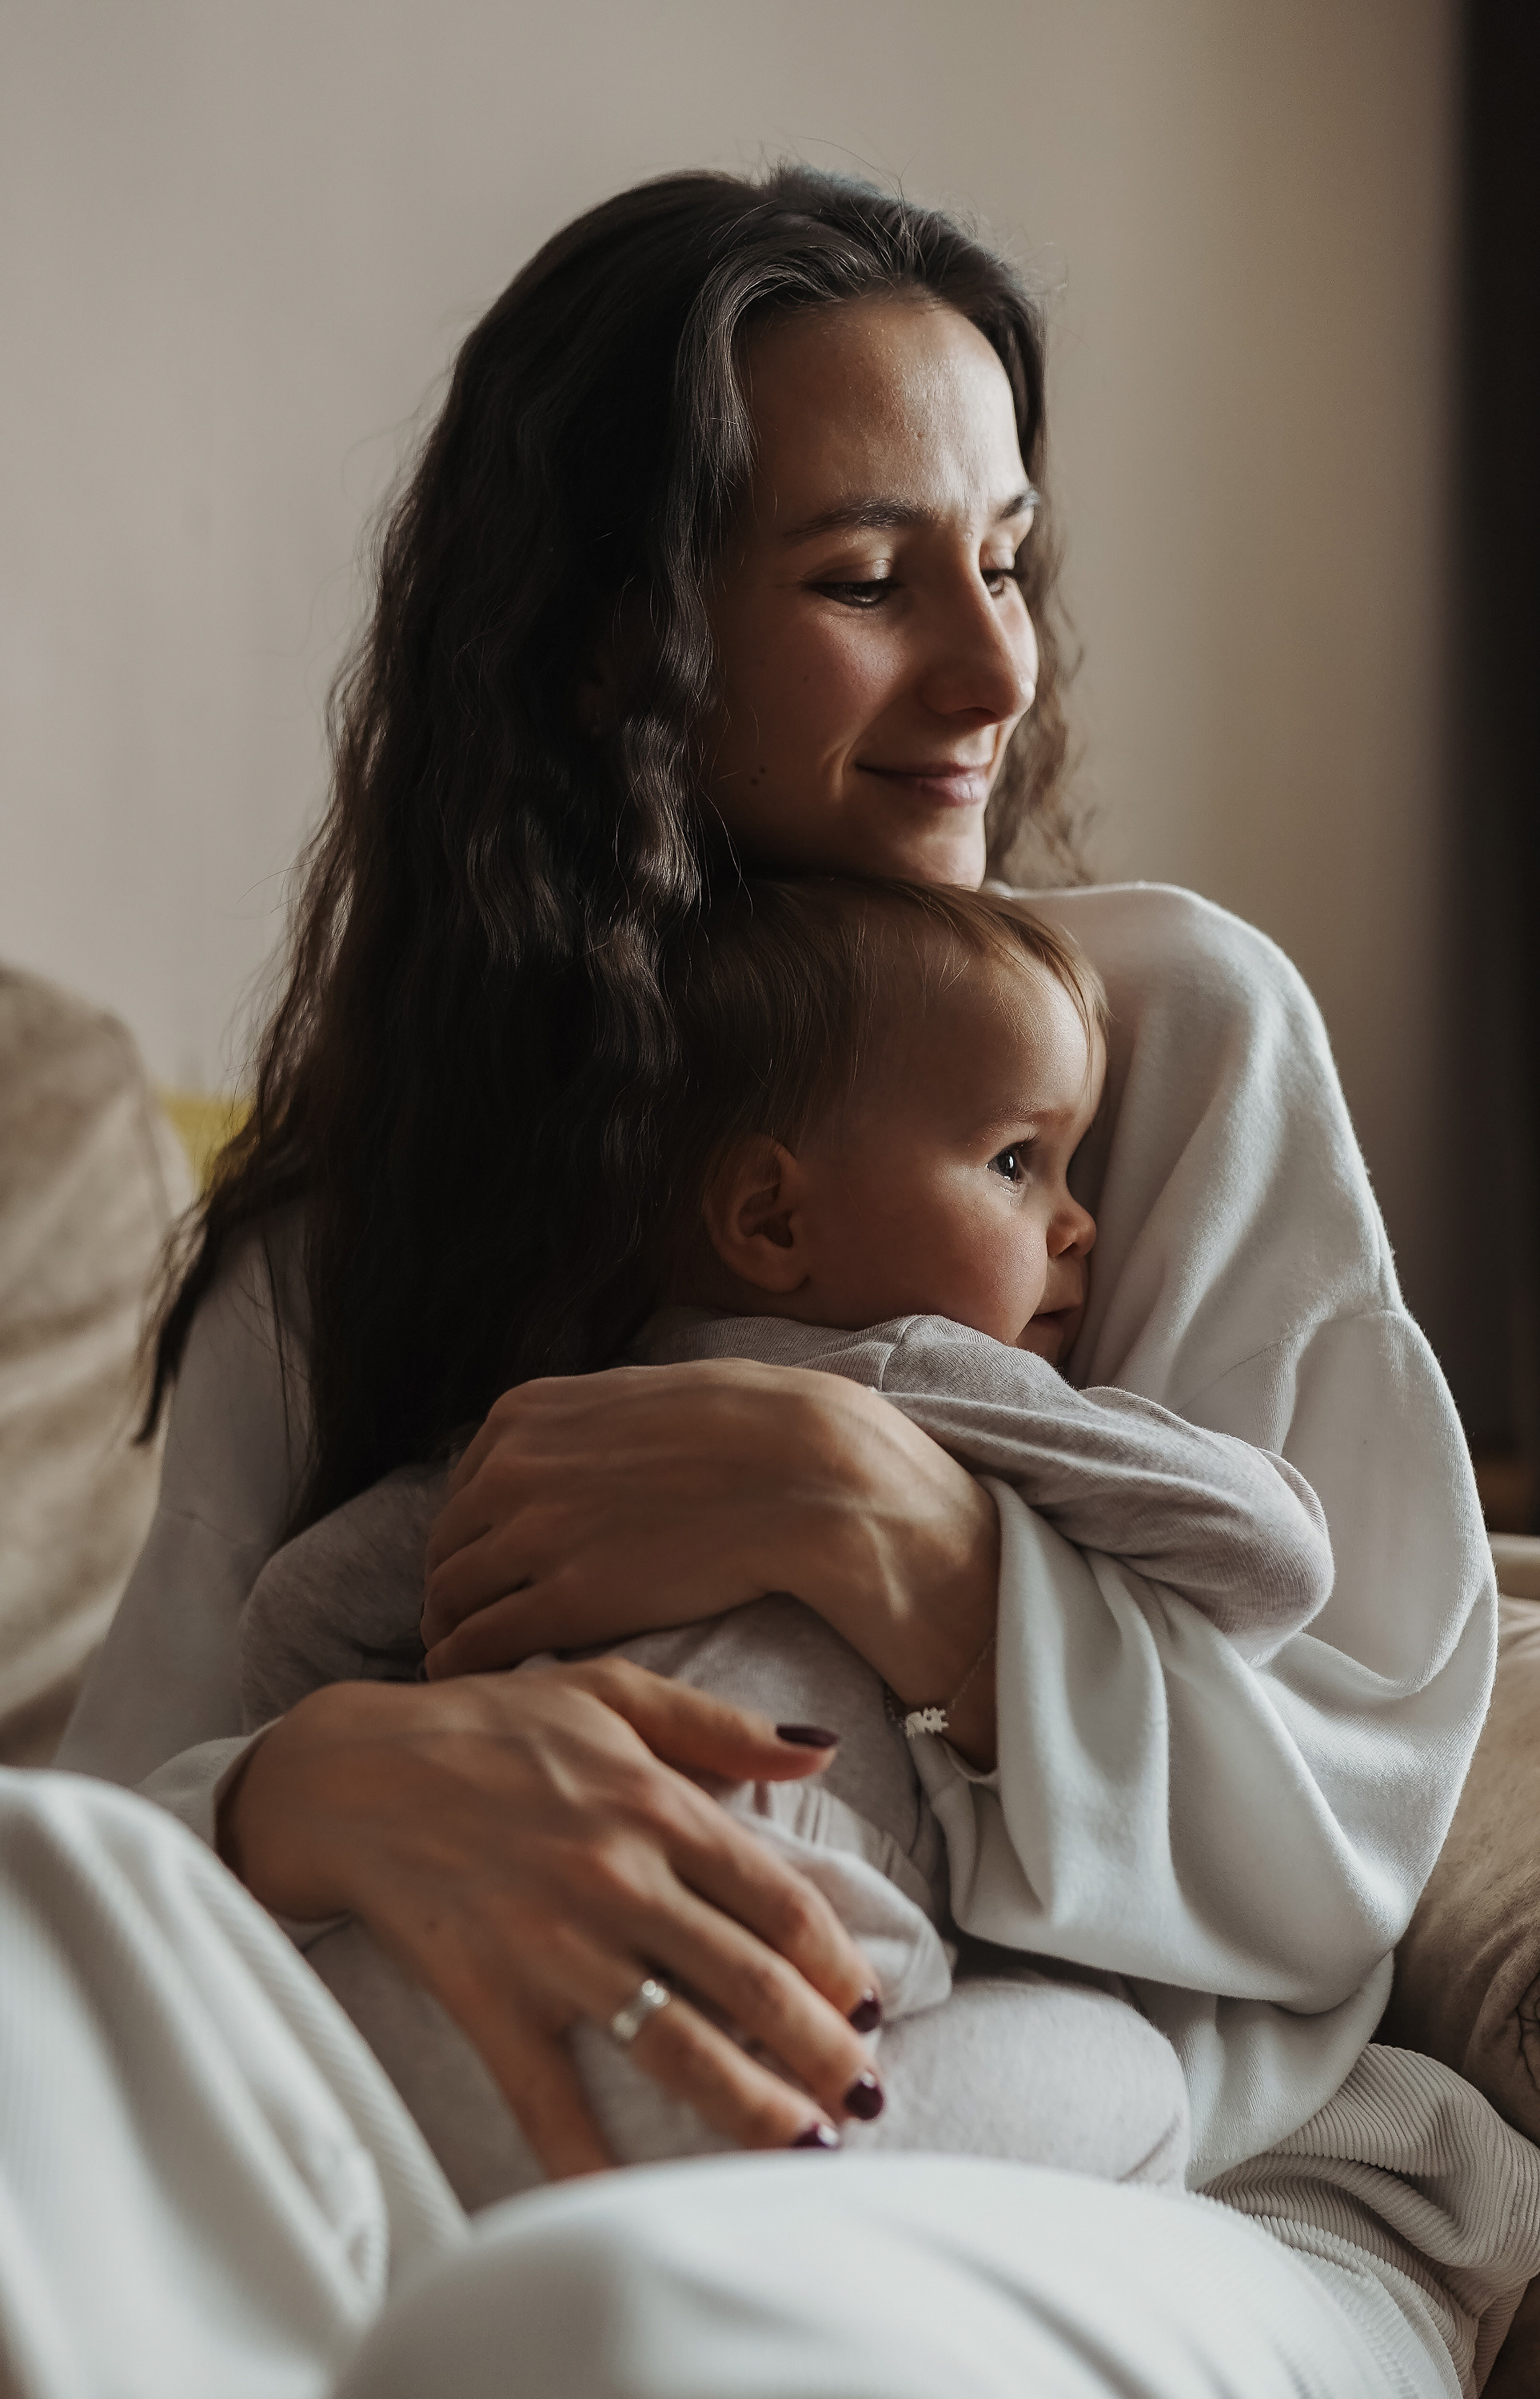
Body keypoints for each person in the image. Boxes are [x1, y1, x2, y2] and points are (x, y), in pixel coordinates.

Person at [40, 166, 1538, 2394]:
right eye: (864, 578)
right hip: (485, 2131)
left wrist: (901, 1532)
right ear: (604, 642)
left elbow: (1336, 1836)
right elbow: (101, 1861)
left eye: (1007, 562)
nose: (993, 664)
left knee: (603, 2321)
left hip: (1159, 2180)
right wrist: (303, 1786)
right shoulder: (366, 1214)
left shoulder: (1153, 1036)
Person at [234, 876, 1337, 2209]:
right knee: (1138, 2082)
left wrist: (411, 1705)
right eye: (1013, 1162)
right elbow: (1270, 1557)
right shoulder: (918, 1369)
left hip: (418, 2010)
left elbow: (294, 1612)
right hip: (769, 1998)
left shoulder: (537, 1431)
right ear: (770, 1218)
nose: (1075, 1222)